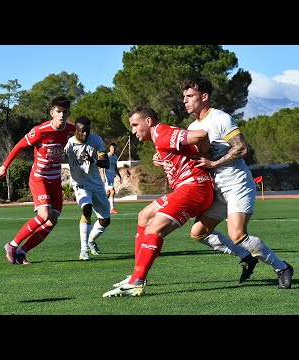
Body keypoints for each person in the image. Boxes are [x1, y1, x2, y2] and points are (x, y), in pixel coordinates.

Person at [180, 76, 294, 289]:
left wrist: (214, 163)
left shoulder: (221, 118)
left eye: (190, 96)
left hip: (237, 184)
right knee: (198, 233)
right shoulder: (192, 126)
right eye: (184, 97)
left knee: (237, 234)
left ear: (204, 97)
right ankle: (247, 257)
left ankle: (282, 268)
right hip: (217, 189)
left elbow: (242, 148)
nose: (185, 101)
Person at [102, 105, 214, 297]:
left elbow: (201, 135)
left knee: (154, 228)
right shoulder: (159, 139)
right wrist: (164, 158)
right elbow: (181, 150)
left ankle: (136, 282)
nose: (133, 131)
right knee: (144, 216)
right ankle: (138, 275)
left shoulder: (162, 134)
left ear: (148, 121)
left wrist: (207, 155)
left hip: (194, 188)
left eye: (136, 125)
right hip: (186, 188)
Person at [0, 96, 75, 265]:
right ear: (52, 112)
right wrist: (4, 166)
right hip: (39, 178)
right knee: (44, 214)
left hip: (55, 180)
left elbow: (83, 138)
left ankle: (22, 252)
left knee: (52, 220)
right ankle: (12, 245)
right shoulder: (40, 130)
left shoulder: (70, 129)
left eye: (65, 112)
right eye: (58, 111)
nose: (62, 115)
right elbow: (19, 146)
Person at [64, 116, 111, 261]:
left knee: (105, 220)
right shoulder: (69, 145)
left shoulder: (96, 140)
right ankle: (84, 250)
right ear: (76, 131)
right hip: (80, 182)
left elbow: (106, 163)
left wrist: (93, 160)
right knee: (87, 208)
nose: (85, 135)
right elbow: (56, 158)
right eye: (82, 131)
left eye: (87, 131)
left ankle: (91, 240)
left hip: (96, 183)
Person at [100, 142, 122, 214]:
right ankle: (112, 209)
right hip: (106, 177)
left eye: (114, 148)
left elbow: (115, 167)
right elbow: (102, 167)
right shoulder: (106, 157)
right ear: (109, 148)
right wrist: (103, 176)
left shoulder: (115, 157)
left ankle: (102, 206)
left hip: (111, 177)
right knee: (112, 191)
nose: (113, 149)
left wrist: (119, 175)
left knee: (108, 193)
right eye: (112, 148)